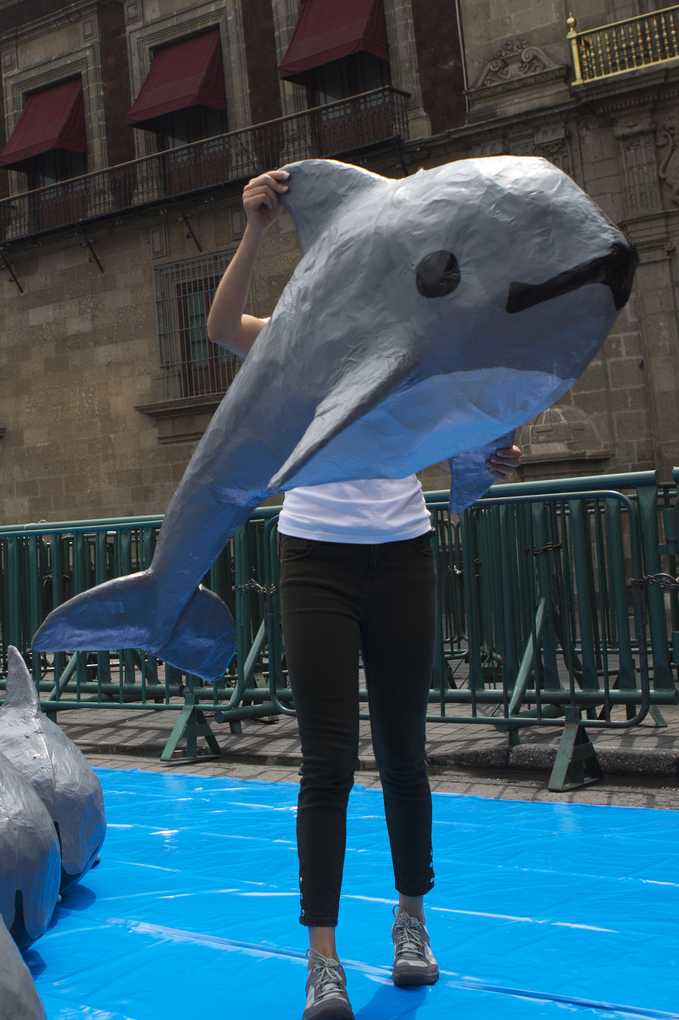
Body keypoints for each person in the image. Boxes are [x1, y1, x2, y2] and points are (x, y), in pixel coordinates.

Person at [206, 169, 521, 1020]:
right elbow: (220, 325)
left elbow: (470, 423)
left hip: (404, 548)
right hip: (314, 554)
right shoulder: (299, 338)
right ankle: (321, 959)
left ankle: (411, 925)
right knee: (327, 761)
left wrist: (488, 456)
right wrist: (255, 231)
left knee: (407, 752)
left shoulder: (420, 342)